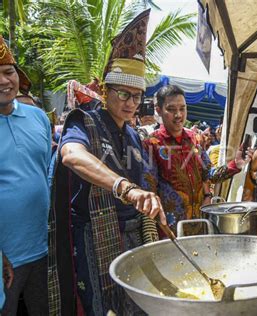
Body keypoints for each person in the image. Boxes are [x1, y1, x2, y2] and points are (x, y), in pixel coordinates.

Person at [48, 10, 166, 315]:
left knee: (137, 304)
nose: (130, 103)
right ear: (105, 90)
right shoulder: (83, 121)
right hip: (95, 234)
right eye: (124, 94)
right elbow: (71, 155)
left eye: (137, 97)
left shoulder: (135, 135)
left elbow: (143, 181)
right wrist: (124, 188)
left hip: (132, 232)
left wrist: (151, 206)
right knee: (103, 307)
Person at [144, 85, 252, 235]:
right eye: (171, 109)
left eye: (182, 108)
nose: (178, 115)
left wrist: (236, 164)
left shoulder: (195, 139)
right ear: (158, 110)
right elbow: (148, 192)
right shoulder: (152, 144)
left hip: (199, 225)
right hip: (169, 231)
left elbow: (209, 174)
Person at [0, 35, 51, 316]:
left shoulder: (38, 118)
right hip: (3, 257)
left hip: (40, 249)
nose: (4, 81)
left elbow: (44, 172)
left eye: (8, 72)